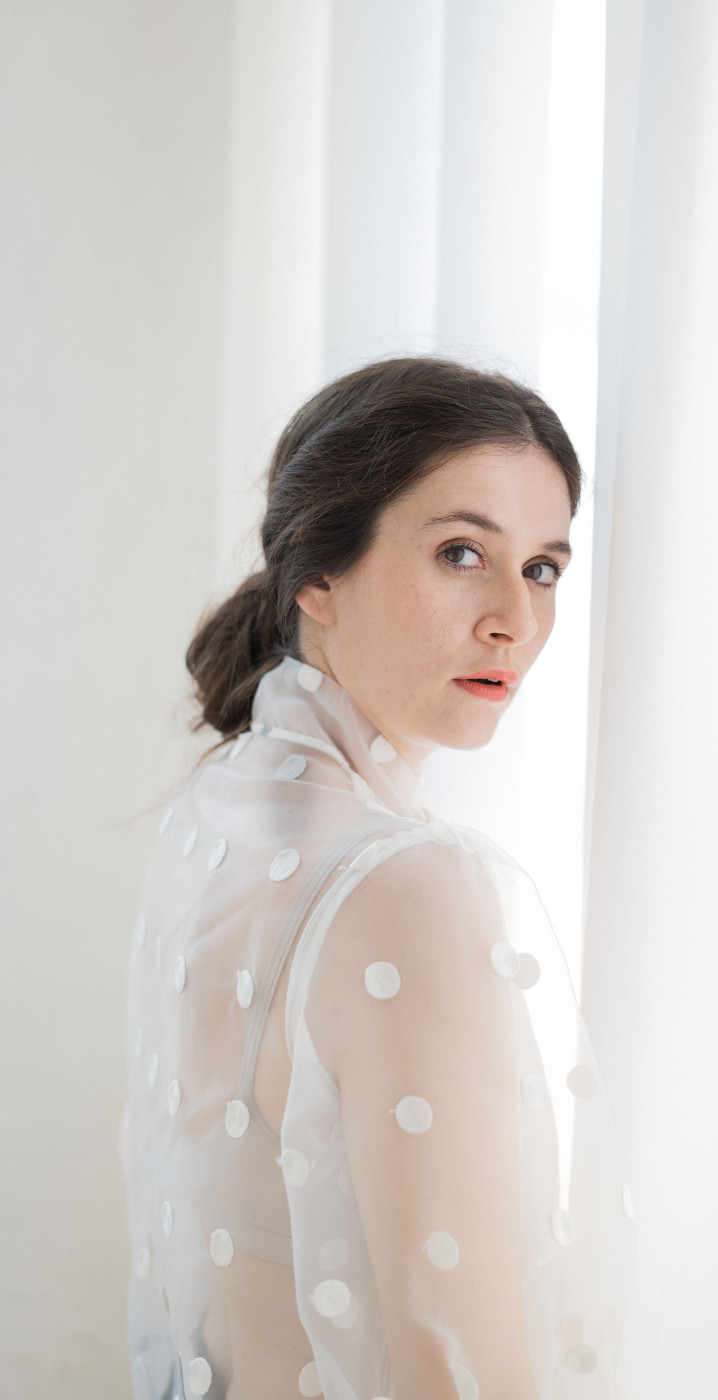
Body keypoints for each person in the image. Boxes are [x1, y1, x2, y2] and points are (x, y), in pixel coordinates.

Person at [122, 357, 635, 1400]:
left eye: (542, 567)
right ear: (318, 574)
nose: (514, 618)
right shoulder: (412, 887)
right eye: (461, 553)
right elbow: (459, 1369)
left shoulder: (222, 803)